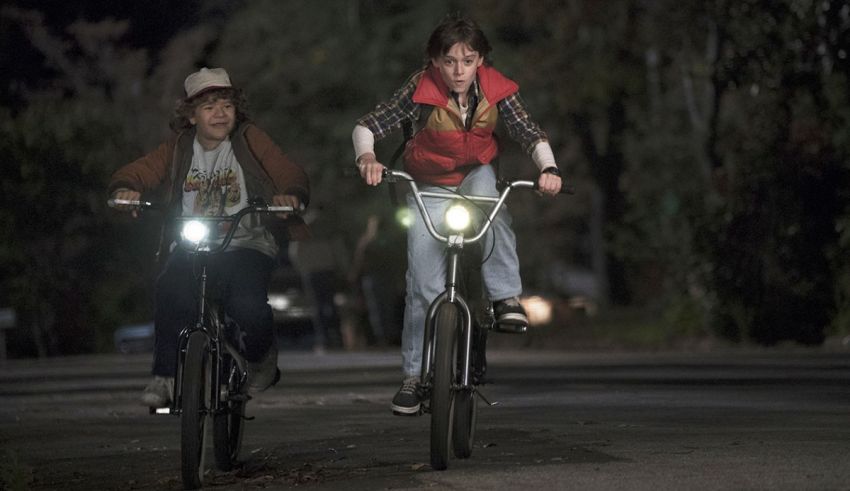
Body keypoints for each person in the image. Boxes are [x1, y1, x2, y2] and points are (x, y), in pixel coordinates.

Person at [352, 15, 563, 415]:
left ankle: (505, 298)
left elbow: (528, 131)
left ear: (480, 60)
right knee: (422, 284)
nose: (459, 70)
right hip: (428, 183)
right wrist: (367, 158)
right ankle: (414, 377)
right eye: (449, 61)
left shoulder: (496, 89)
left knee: (494, 210)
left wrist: (548, 169)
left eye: (468, 61)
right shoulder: (418, 89)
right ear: (435, 61)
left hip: (476, 175)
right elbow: (369, 124)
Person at [109, 67, 310, 407]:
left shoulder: (248, 139)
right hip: (193, 244)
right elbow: (141, 170)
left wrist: (289, 193)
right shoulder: (178, 148)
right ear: (190, 115)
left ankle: (260, 357)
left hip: (246, 242)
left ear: (237, 109)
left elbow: (287, 169)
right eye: (208, 106)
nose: (220, 113)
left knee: (248, 306)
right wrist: (126, 188)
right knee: (170, 290)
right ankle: (166, 376)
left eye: (226, 105)